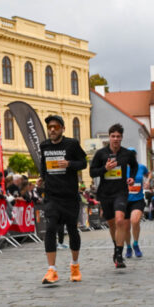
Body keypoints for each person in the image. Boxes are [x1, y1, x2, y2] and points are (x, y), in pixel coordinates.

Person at [39, 114, 87, 284]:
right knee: (51, 228)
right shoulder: (44, 145)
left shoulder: (72, 144)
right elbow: (43, 164)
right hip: (52, 196)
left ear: (62, 129)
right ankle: (52, 270)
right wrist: (42, 177)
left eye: (56, 127)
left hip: (70, 196)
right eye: (50, 127)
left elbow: (83, 163)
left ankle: (75, 265)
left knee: (72, 230)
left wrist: (69, 164)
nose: (52, 130)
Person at [89, 123, 138, 268]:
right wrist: (105, 168)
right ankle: (116, 247)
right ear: (109, 137)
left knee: (120, 221)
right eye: (113, 136)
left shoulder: (127, 153)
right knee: (111, 224)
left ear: (121, 138)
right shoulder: (101, 154)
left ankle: (119, 255)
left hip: (121, 192)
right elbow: (92, 172)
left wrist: (132, 177)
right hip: (105, 193)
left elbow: (134, 166)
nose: (115, 139)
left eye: (118, 136)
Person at [123, 148, 149, 259]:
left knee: (135, 221)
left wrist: (147, 181)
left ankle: (136, 244)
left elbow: (149, 174)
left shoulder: (141, 167)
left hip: (138, 200)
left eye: (133, 155)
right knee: (125, 227)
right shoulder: (122, 168)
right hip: (124, 200)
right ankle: (128, 247)